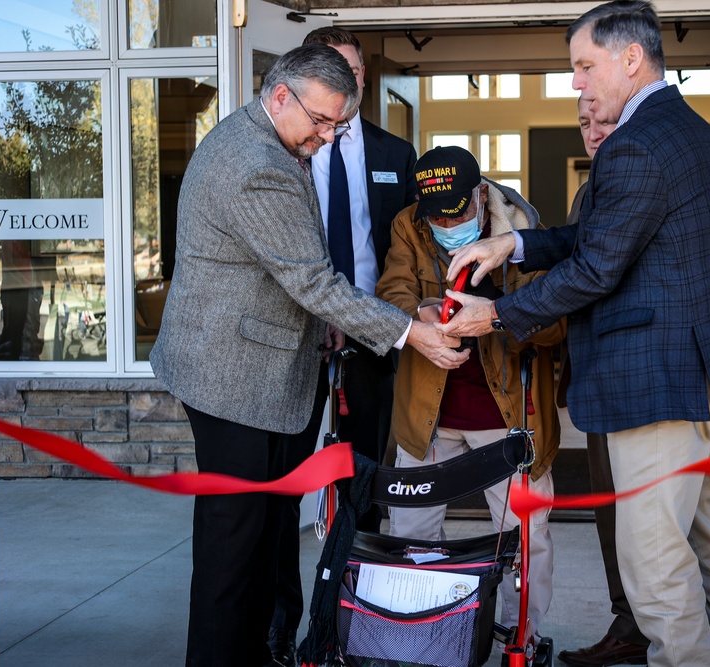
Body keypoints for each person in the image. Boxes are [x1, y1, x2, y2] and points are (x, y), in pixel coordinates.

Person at [438, 2, 710, 665]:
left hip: (657, 389)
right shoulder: (680, 126)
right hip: (701, 382)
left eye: (584, 66)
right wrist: (514, 243)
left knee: (657, 575)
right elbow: (601, 236)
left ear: (631, 58)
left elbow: (596, 266)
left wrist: (497, 315)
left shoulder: (635, 143)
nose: (577, 84)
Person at [149, 44, 467, 667]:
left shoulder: (272, 138)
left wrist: (359, 320)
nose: (327, 137)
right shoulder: (256, 164)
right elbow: (312, 281)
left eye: (337, 126)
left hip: (259, 367)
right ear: (279, 96)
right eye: (320, 122)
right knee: (231, 551)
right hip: (234, 379)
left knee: (260, 541)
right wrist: (409, 331)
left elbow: (287, 276)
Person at [266, 27, 419, 667]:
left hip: (372, 336)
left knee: (366, 481)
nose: (347, 85)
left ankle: (357, 609)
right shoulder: (286, 151)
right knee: (285, 484)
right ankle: (284, 624)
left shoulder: (394, 151)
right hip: (295, 340)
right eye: (333, 74)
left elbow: (409, 246)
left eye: (353, 73)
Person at [375, 145, 563, 646]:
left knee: (525, 537)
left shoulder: (525, 230)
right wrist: (422, 316)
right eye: (435, 213)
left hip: (507, 415)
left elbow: (556, 324)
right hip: (428, 414)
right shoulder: (407, 225)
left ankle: (521, 639)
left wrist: (495, 313)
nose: (445, 221)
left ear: (481, 194)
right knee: (412, 535)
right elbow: (391, 290)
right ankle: (422, 638)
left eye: (456, 210)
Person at [556, 96, 648, 667]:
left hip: (635, 378)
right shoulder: (591, 187)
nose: (593, 132)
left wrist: (501, 313)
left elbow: (591, 274)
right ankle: (629, 621)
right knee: (611, 511)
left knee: (639, 519)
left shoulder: (634, 174)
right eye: (585, 123)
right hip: (600, 375)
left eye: (604, 120)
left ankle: (645, 626)